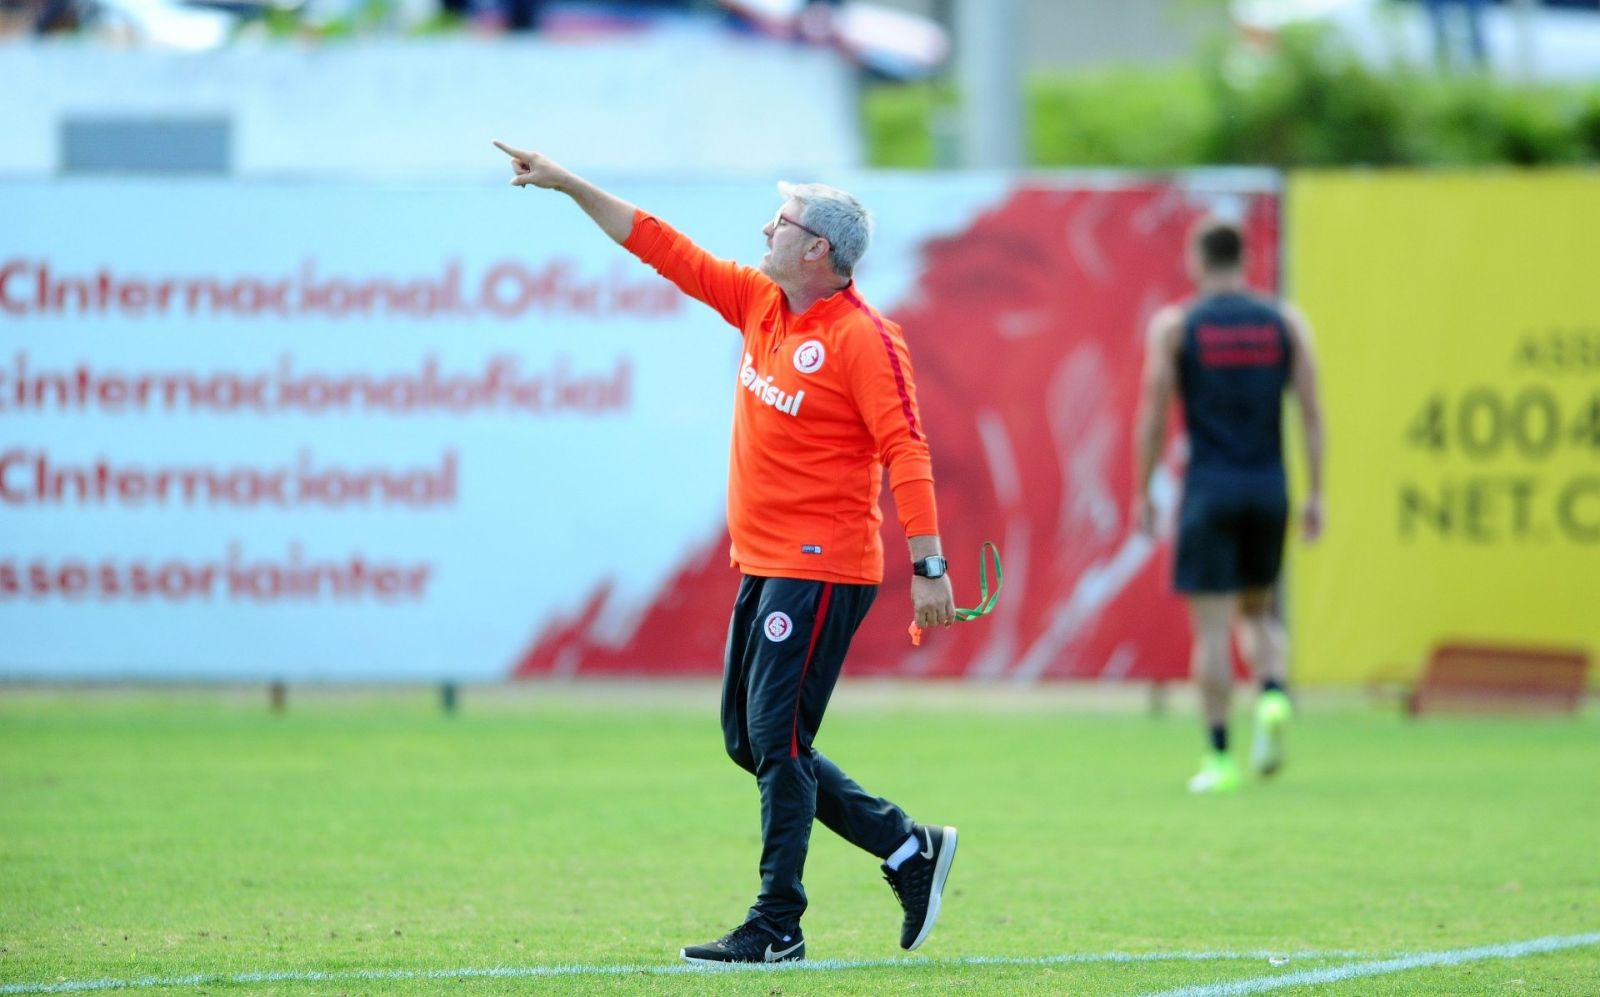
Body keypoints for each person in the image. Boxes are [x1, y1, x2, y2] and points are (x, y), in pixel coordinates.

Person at [492, 139, 959, 962]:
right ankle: (906, 845)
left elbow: (908, 449)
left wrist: (930, 565)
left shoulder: (863, 337)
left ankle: (779, 921)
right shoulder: (760, 302)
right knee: (751, 741)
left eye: (781, 221)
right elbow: (660, 245)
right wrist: (567, 182)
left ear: (818, 248)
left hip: (822, 566)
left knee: (775, 741)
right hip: (767, 561)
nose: (766, 229)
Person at [1132, 217, 1325, 794]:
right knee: (1260, 612)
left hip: (1210, 490)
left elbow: (1153, 412)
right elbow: (1312, 414)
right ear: (1243, 259)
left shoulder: (1177, 325)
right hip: (1269, 486)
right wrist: (1317, 493)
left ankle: (1219, 759)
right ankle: (1272, 693)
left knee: (1213, 629)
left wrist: (1142, 491)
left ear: (1197, 259)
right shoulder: (1285, 322)